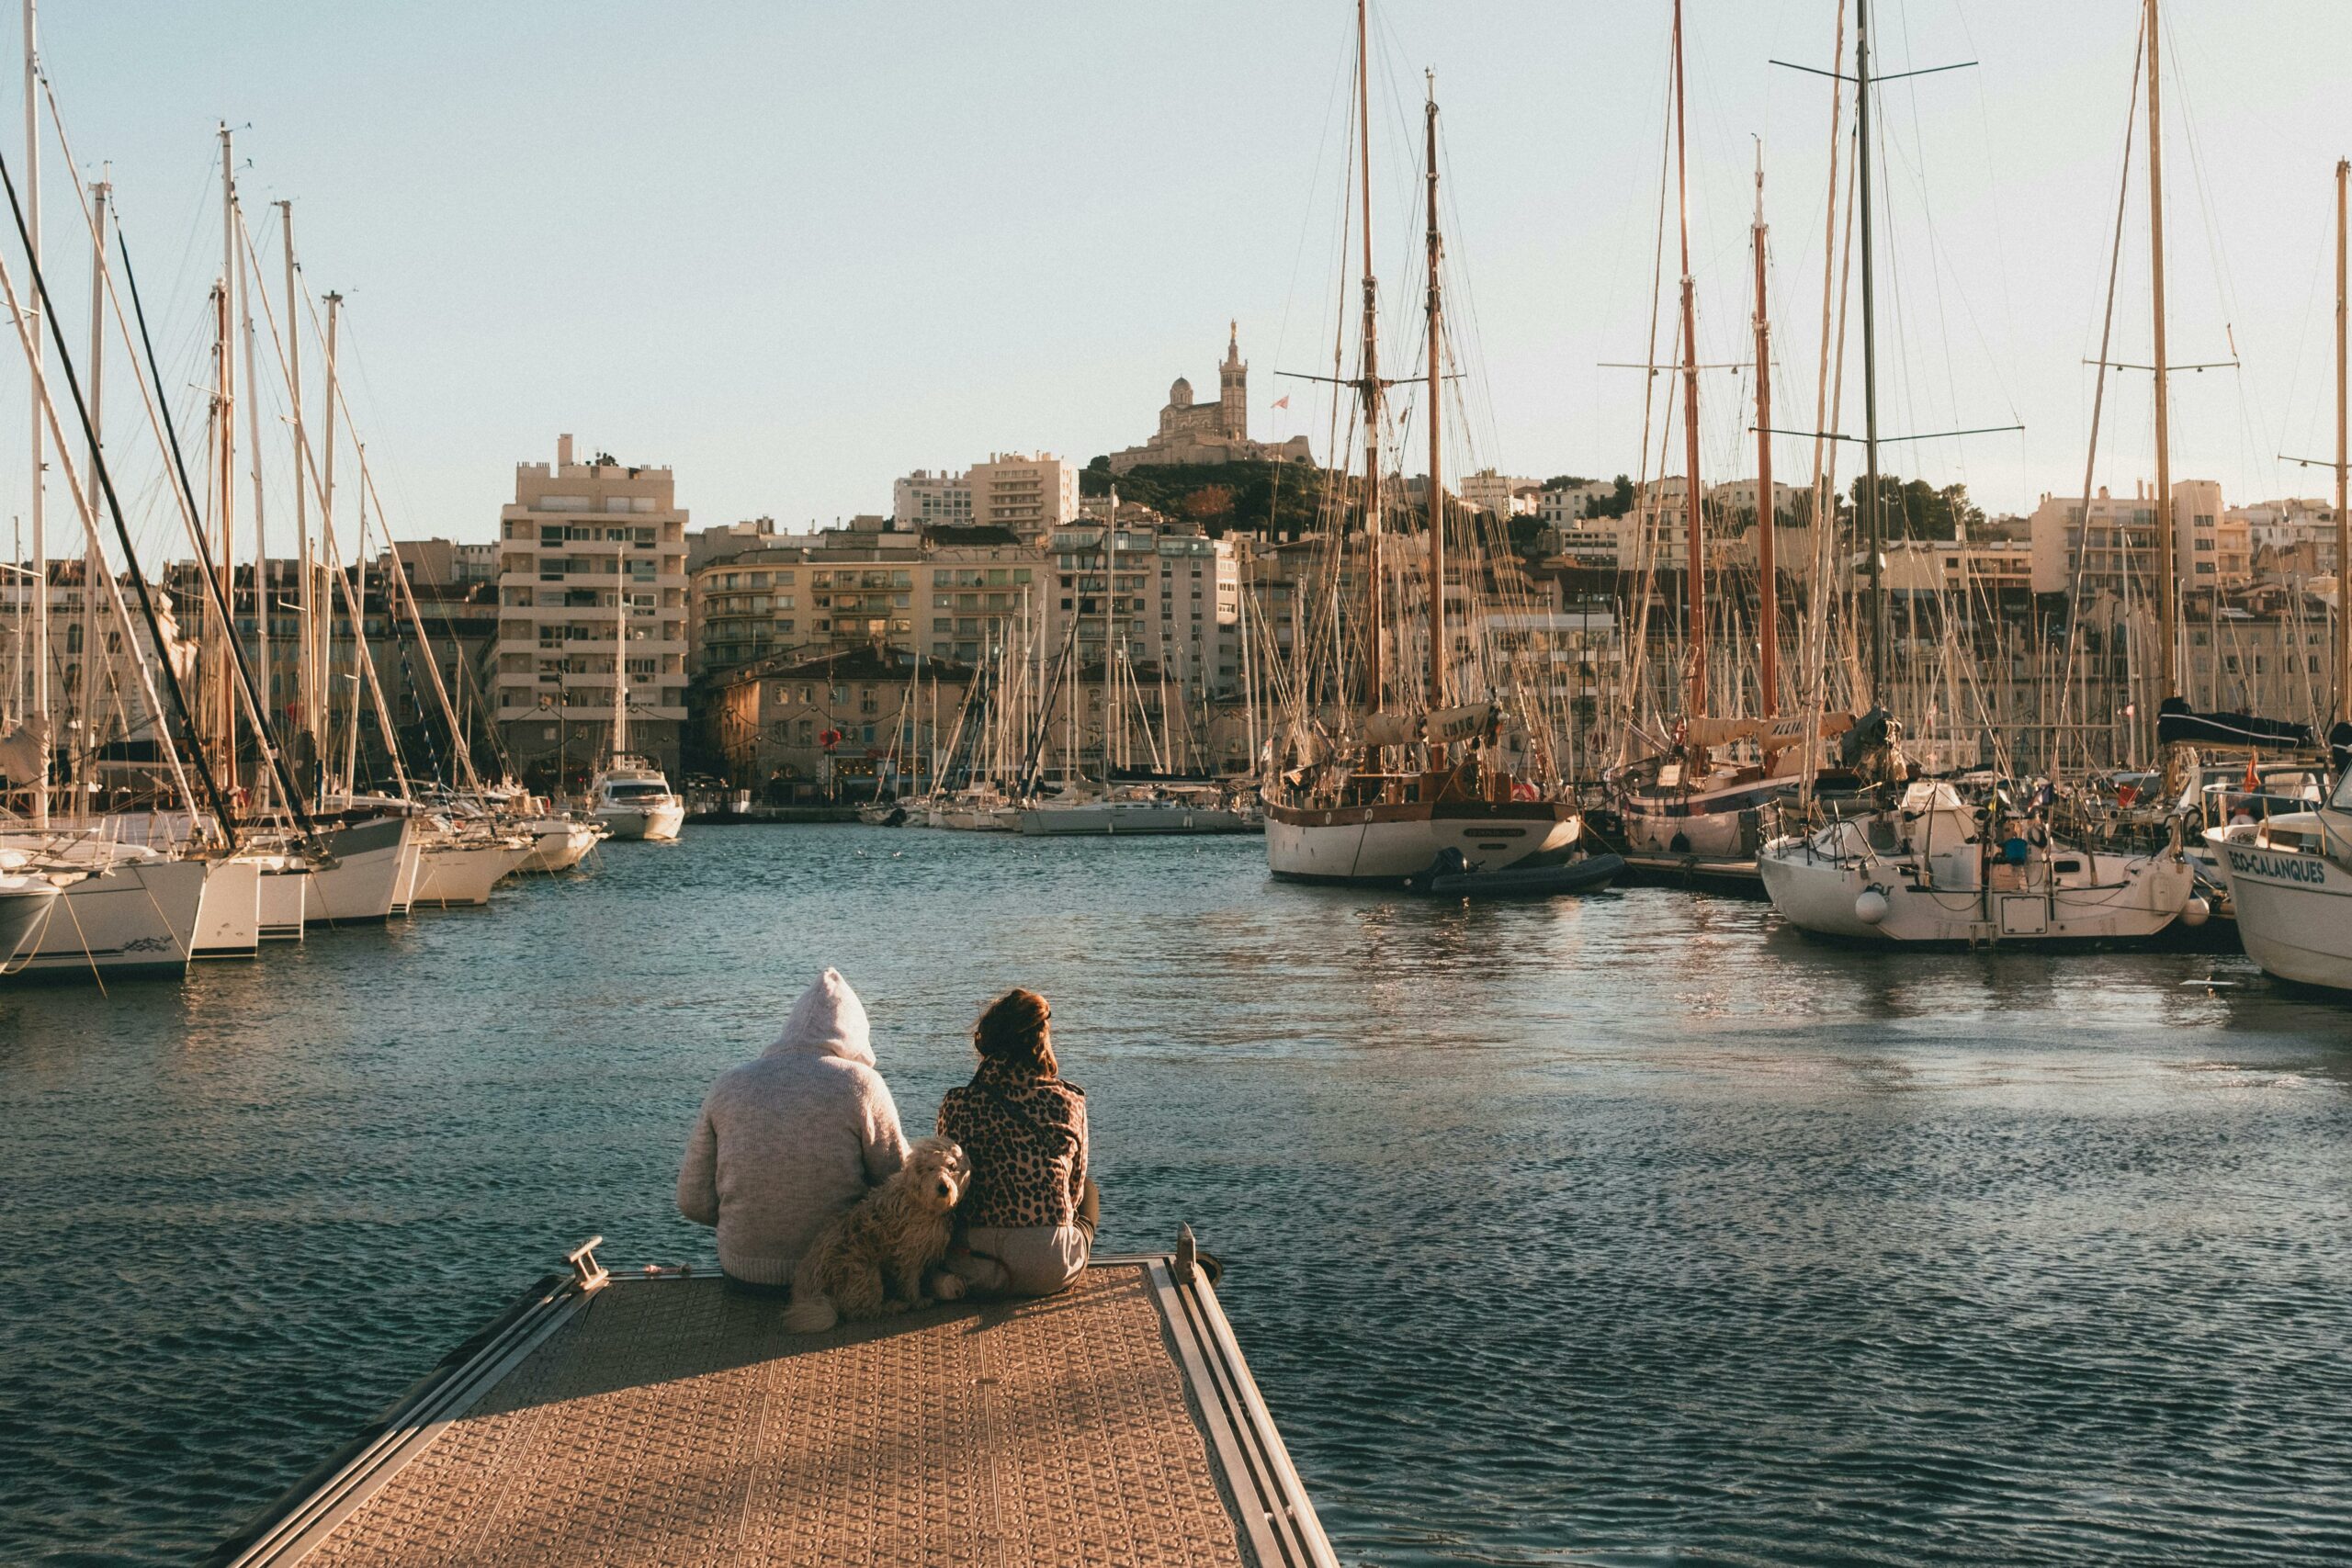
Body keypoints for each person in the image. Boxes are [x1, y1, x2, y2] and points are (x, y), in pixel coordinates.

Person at [677, 967, 909, 1296]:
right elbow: (899, 1185)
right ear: (857, 1034)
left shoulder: (728, 1085)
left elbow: (692, 1202)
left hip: (744, 1274)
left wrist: (757, 1218)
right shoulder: (860, 1084)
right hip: (836, 1275)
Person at [937, 987, 1097, 1298]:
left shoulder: (958, 1103)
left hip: (972, 1265)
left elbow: (945, 1186)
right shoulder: (1068, 1102)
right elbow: (1074, 1196)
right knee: (1090, 1190)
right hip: (1050, 1267)